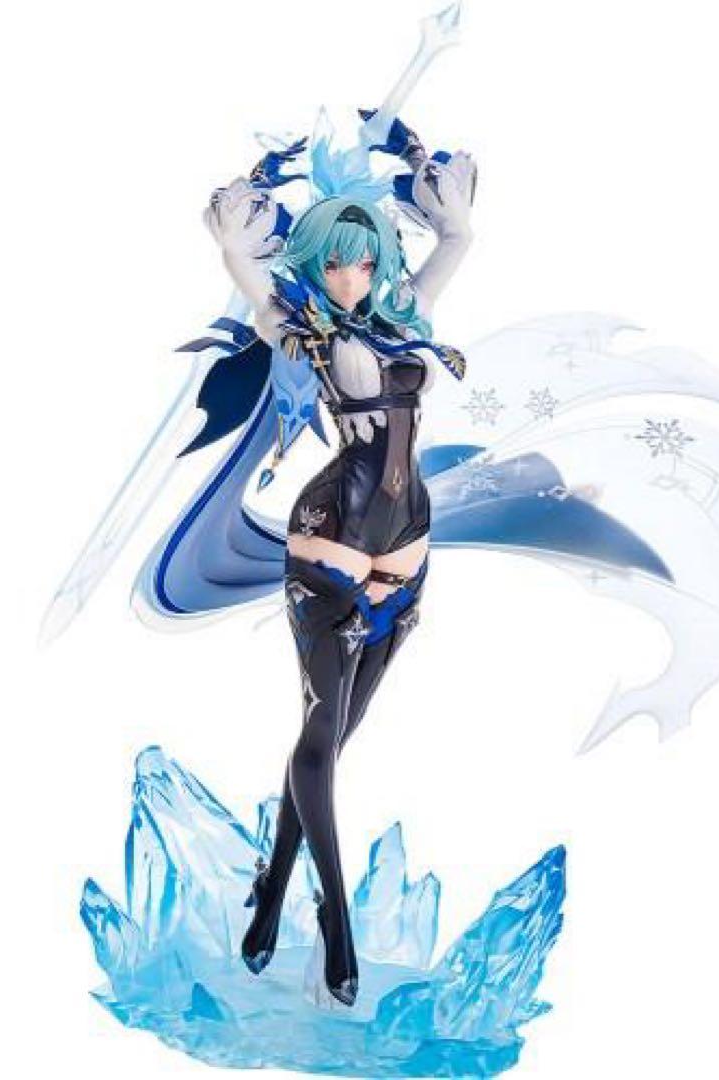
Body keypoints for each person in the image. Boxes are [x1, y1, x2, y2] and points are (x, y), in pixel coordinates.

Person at [202, 124, 477, 1006]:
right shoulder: (304, 329)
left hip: (409, 544)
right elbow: (254, 287)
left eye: (362, 261)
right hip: (331, 536)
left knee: (332, 738)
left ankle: (271, 887)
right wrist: (234, 244)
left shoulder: (404, 319)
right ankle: (334, 917)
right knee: (321, 741)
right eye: (333, 262)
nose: (349, 276)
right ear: (315, 265)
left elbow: (458, 243)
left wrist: (449, 211)